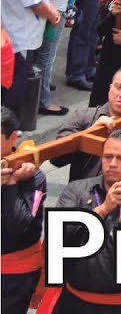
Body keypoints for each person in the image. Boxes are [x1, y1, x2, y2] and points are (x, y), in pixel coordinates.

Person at [52, 129, 121, 314]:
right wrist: (102, 210)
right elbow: (58, 240)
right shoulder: (77, 190)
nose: (112, 164)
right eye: (107, 157)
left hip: (120, 306)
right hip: (72, 301)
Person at [1, 105, 47, 311]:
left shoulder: (33, 176)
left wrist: (11, 184)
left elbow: (19, 224)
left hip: (15, 270)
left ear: (12, 138)